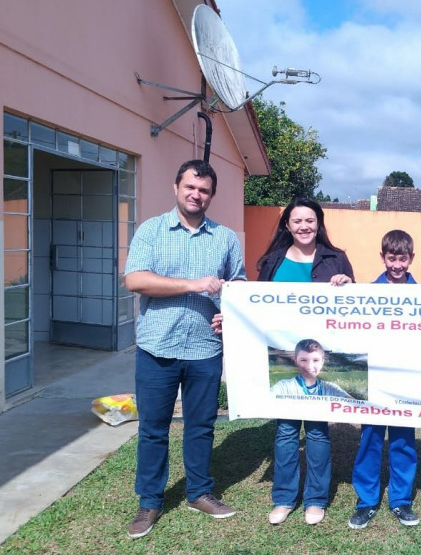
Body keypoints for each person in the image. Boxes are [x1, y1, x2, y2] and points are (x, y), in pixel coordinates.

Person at [124, 160, 245, 539]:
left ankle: (199, 492)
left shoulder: (224, 238)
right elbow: (135, 279)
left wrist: (231, 313)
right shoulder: (152, 231)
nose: (197, 195)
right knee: (153, 429)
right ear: (176, 187)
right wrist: (193, 285)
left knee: (201, 427)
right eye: (191, 187)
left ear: (211, 195)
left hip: (205, 349)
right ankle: (149, 502)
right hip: (157, 347)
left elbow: (238, 286)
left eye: (204, 190)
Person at [260, 198, 354, 526]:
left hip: (319, 357)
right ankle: (284, 498)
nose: (304, 226)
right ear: (287, 224)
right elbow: (256, 307)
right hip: (283, 358)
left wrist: (348, 285)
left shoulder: (336, 259)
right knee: (286, 431)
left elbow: (355, 308)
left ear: (319, 223)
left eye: (310, 220)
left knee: (316, 431)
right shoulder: (272, 261)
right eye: (297, 221)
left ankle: (315, 499)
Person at [348, 230, 420, 530]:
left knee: (403, 441)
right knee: (370, 440)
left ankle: (401, 501)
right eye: (391, 258)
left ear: (411, 259)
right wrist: (343, 288)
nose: (397, 265)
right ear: (383, 257)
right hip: (374, 380)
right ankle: (366, 501)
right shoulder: (366, 293)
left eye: (402, 259)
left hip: (406, 381)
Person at [271, 340, 353, 399]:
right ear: (296, 361)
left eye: (316, 360)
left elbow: (353, 404)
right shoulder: (283, 386)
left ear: (322, 362)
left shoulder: (331, 389)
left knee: (316, 424)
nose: (309, 366)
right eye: (303, 360)